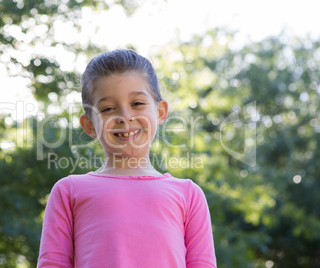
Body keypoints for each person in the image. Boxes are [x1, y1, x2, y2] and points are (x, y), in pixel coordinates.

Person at [37, 49, 216, 268]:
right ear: (89, 124)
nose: (125, 117)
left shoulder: (188, 195)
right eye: (108, 108)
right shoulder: (69, 192)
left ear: (160, 111)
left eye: (137, 103)